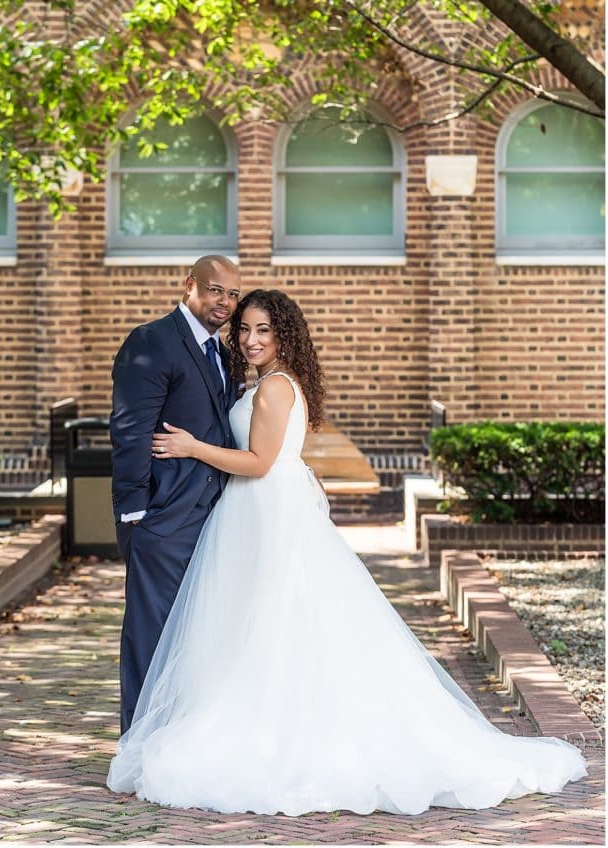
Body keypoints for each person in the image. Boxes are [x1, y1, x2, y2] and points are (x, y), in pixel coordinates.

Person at [107, 289, 587, 816]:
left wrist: (192, 447)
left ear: (284, 333)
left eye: (264, 330)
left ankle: (279, 734)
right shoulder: (270, 382)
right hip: (254, 511)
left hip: (265, 508)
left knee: (274, 618)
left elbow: (261, 462)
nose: (250, 340)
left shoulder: (275, 390)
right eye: (243, 329)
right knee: (261, 622)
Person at [110, 255, 241, 733]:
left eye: (232, 294)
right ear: (190, 286)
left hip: (213, 516)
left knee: (195, 634)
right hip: (162, 519)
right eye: (215, 290)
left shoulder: (224, 353)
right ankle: (139, 746)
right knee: (151, 635)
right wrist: (134, 514)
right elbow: (130, 432)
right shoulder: (152, 342)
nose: (224, 302)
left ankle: (183, 737)